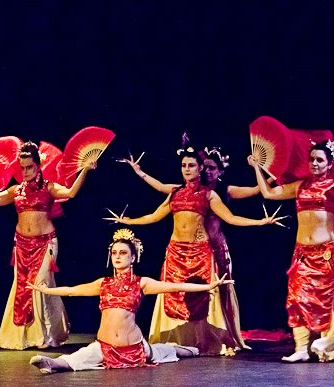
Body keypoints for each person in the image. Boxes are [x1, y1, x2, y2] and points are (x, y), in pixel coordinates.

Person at [107, 138, 284, 355]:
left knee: (204, 297)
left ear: (200, 168)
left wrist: (260, 222)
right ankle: (177, 338)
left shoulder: (211, 194)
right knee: (173, 295)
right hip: (175, 251)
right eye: (184, 165)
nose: (187, 169)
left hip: (201, 252)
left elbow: (230, 218)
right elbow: (154, 216)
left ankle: (208, 339)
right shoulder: (175, 192)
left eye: (192, 165)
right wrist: (128, 220)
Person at [248, 140, 334, 362]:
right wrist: (257, 168)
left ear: (330, 163)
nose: (315, 163)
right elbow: (269, 193)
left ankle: (326, 346)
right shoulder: (299, 186)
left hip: (328, 249)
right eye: (312, 159)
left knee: (327, 298)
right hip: (302, 251)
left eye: (320, 160)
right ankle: (301, 348)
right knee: (297, 298)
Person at [27, 229, 233, 373]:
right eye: (114, 253)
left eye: (123, 253)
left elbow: (175, 286)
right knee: (78, 357)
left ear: (133, 257)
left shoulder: (141, 283)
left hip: (135, 347)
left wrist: (208, 286)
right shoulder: (103, 283)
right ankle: (51, 364)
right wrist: (45, 289)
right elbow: (73, 291)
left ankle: (192, 350)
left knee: (165, 351)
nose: (117, 257)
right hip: (105, 346)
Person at [0, 141, 95, 350]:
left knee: (40, 285)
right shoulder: (16, 191)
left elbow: (70, 193)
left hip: (45, 243)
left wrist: (84, 170)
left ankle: (44, 337)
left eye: (29, 167)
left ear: (38, 165)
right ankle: (24, 337)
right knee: (22, 289)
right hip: (21, 245)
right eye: (22, 168)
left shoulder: (49, 187)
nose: (25, 172)